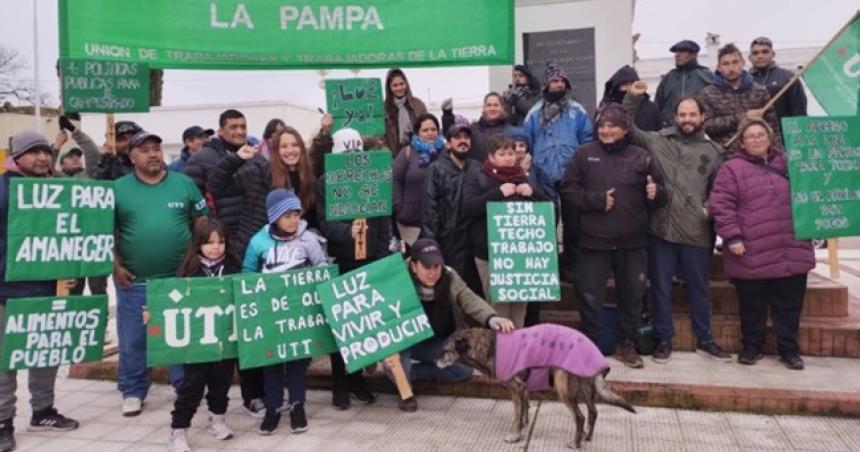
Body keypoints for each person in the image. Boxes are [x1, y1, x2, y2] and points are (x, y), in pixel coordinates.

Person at [623, 80, 732, 364]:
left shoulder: (714, 152)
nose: (687, 119)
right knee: (659, 288)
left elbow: (720, 191)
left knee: (699, 288)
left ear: (702, 118)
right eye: (682, 114)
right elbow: (627, 127)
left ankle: (706, 339)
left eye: (692, 114)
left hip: (696, 231)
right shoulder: (658, 141)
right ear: (675, 117)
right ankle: (663, 339)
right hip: (662, 229)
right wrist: (632, 98)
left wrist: (708, 209)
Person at [560, 104, 666, 369]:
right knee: (590, 296)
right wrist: (595, 201)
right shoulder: (584, 155)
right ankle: (590, 346)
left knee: (632, 296)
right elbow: (568, 190)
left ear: (625, 129)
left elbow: (660, 192)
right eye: (602, 126)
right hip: (593, 242)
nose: (606, 131)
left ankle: (625, 344)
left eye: (612, 126)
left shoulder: (641, 156)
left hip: (633, 243)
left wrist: (658, 194)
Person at [113, 131, 209, 416]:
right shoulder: (117, 189)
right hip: (135, 280)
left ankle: (183, 385)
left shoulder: (184, 184)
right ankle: (132, 390)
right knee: (133, 339)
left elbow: (202, 223)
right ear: (132, 158)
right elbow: (102, 232)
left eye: (156, 148)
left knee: (179, 334)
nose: (153, 154)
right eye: (145, 150)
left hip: (178, 279)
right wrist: (114, 266)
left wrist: (197, 262)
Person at [709, 118, 814, 370]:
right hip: (750, 249)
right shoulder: (731, 169)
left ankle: (789, 350)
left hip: (791, 246)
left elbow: (813, 192)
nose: (756, 139)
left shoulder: (791, 164)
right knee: (752, 305)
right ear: (742, 142)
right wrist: (731, 236)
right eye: (750, 136)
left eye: (761, 134)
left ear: (770, 137)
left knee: (789, 305)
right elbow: (721, 205)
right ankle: (752, 347)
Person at [0, 130, 80, 452]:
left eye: (46, 151)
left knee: (44, 352)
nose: (42, 157)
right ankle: (3, 422)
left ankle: (43, 410)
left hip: (46, 289)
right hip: (6, 291)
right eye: (33, 152)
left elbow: (71, 234)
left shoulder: (56, 190)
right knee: (5, 361)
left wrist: (71, 269)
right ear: (16, 157)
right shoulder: (3, 191)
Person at [383, 238, 515, 412]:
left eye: (436, 266)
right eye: (427, 267)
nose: (433, 272)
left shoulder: (449, 276)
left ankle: (412, 374)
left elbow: (469, 299)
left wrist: (492, 318)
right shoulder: (398, 278)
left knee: (463, 370)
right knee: (394, 361)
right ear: (414, 266)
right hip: (405, 342)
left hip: (437, 341)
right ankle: (404, 390)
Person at [242, 189, 328, 435]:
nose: (293, 220)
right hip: (270, 314)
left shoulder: (307, 239)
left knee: (297, 362)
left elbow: (321, 266)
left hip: (299, 313)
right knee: (271, 362)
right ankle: (273, 408)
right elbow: (248, 274)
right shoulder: (259, 241)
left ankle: (298, 406)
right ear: (274, 217)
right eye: (287, 215)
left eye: (296, 214)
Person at [315, 132, 385, 411]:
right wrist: (347, 232)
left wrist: (381, 255)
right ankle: (340, 385)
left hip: (369, 259)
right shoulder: (324, 183)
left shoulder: (374, 178)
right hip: (342, 260)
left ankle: (357, 380)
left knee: (363, 324)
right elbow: (324, 222)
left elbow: (383, 218)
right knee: (340, 325)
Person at [168, 219, 239, 452]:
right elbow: (173, 301)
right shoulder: (189, 269)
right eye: (209, 243)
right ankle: (179, 430)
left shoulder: (232, 266)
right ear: (198, 244)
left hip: (225, 338)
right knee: (192, 385)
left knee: (221, 382)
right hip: (198, 341)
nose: (216, 247)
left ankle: (217, 419)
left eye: (221, 242)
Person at [463, 136, 548, 328]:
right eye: (502, 154)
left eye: (511, 153)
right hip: (489, 254)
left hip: (520, 254)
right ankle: (501, 354)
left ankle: (517, 352)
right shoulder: (479, 177)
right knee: (498, 308)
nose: (508, 158)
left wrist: (533, 194)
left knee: (520, 309)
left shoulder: (523, 177)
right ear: (491, 157)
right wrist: (497, 193)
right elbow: (468, 208)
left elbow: (547, 210)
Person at [523, 61, 594, 279]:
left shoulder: (577, 110)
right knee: (546, 222)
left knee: (573, 223)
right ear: (546, 84)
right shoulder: (534, 113)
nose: (559, 84)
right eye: (555, 81)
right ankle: (549, 267)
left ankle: (571, 267)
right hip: (544, 174)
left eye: (562, 81)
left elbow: (587, 139)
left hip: (571, 174)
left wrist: (582, 167)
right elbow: (528, 142)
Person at [208, 126, 318, 256]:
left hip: (293, 253)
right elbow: (217, 187)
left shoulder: (308, 178)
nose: (290, 150)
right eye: (284, 146)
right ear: (276, 150)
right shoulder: (259, 171)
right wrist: (235, 159)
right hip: (256, 252)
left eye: (295, 145)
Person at [421, 118, 481, 292]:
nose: (463, 141)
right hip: (448, 241)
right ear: (448, 144)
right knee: (449, 289)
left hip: (473, 242)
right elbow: (429, 206)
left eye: (466, 137)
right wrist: (431, 242)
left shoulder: (476, 168)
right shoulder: (437, 169)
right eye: (457, 137)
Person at [185, 109, 250, 242]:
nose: (240, 132)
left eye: (243, 127)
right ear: (220, 130)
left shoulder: (253, 156)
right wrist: (211, 230)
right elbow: (193, 203)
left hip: (251, 232)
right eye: (233, 127)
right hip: (218, 238)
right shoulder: (200, 159)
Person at [700, 43, 781, 147]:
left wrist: (778, 154)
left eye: (735, 62)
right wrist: (741, 117)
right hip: (726, 155)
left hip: (757, 153)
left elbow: (772, 127)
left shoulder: (759, 91)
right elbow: (706, 126)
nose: (731, 68)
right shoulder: (707, 94)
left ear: (743, 63)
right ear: (719, 67)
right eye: (726, 64)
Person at [392, 113, 445, 246]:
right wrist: (400, 209)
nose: (430, 133)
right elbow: (395, 181)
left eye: (433, 130)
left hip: (442, 221)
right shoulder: (407, 153)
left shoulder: (446, 152)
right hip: (411, 222)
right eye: (425, 130)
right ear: (418, 132)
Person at [654, 40, 714, 127]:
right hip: (671, 134)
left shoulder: (706, 76)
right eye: (676, 52)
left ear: (694, 54)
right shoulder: (668, 78)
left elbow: (716, 104)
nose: (677, 55)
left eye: (681, 51)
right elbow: (658, 107)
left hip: (700, 133)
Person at [749, 37, 807, 121]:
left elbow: (800, 112)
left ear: (773, 54)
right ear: (749, 57)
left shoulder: (788, 77)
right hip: (755, 132)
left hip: (783, 131)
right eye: (755, 53)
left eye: (765, 52)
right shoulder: (743, 81)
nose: (760, 56)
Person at [600, 65, 661, 132]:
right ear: (617, 87)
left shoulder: (651, 108)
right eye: (625, 84)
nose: (629, 88)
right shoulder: (606, 108)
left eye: (632, 84)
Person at [384, 68, 427, 155]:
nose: (399, 88)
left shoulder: (418, 104)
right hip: (394, 156)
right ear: (389, 87)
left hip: (418, 153)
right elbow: (380, 135)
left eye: (402, 84)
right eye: (395, 85)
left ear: (406, 84)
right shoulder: (384, 108)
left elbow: (427, 127)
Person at [468, 92, 511, 163]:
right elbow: (454, 138)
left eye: (496, 105)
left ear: (502, 108)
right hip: (477, 172)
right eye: (489, 105)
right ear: (484, 108)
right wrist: (448, 116)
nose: (492, 108)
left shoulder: (511, 130)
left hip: (502, 173)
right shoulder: (473, 129)